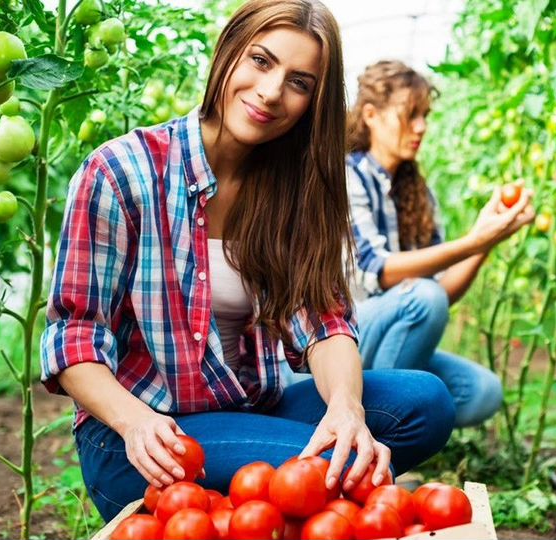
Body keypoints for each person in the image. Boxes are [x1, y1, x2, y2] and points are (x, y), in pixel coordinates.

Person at [40, 1, 454, 522]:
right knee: (335, 472)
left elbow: (323, 323)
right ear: (229, 52)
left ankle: (256, 497)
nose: (271, 91)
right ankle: (261, 496)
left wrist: (346, 409)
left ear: (313, 103)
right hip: (143, 437)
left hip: (243, 408)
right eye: (261, 60)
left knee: (426, 402)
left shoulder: (294, 192)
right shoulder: (123, 172)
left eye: (299, 82)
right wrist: (134, 423)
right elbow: (74, 338)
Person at [346, 60, 535, 428]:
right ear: (371, 115)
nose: (421, 127)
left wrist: (487, 241)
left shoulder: (419, 194)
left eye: (425, 116)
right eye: (410, 115)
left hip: (389, 341)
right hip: (342, 340)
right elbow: (376, 270)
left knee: (481, 390)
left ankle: (380, 423)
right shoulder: (346, 176)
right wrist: (472, 241)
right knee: (423, 296)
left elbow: (441, 295)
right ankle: (379, 449)